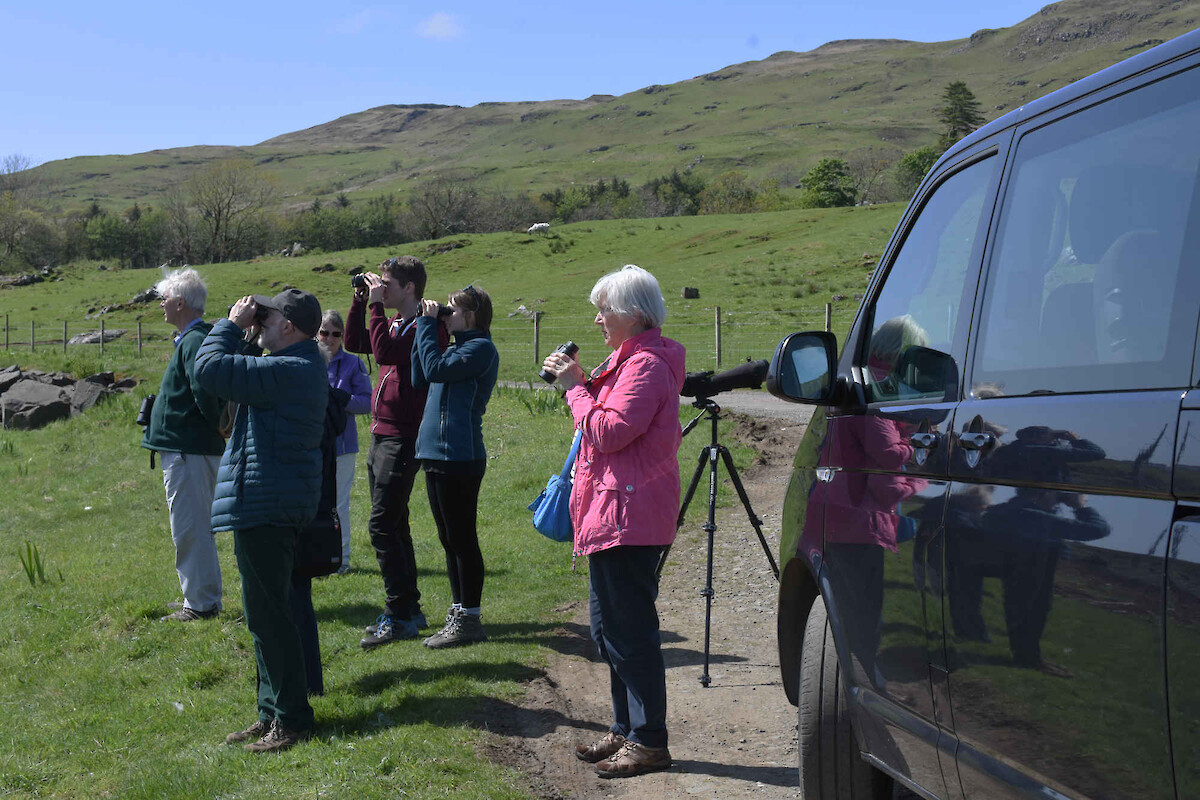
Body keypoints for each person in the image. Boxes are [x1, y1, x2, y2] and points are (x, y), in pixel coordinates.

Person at [541, 264, 685, 779]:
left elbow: (608, 432)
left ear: (632, 314)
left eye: (605, 309)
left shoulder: (645, 366)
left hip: (631, 514)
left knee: (630, 631)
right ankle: (628, 729)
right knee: (609, 632)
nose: (599, 319)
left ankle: (650, 741)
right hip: (613, 512)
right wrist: (581, 382)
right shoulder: (628, 361)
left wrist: (576, 388)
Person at [194, 288, 327, 754]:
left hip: (269, 505)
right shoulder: (295, 363)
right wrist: (250, 335)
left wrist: (230, 325)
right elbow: (238, 376)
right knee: (264, 615)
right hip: (268, 501)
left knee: (271, 617)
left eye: (267, 318)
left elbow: (210, 370)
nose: (260, 323)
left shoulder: (291, 369)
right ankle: (272, 711)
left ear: (288, 326)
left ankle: (291, 719)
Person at [344, 256, 448, 649]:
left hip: (404, 435)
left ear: (409, 287)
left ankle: (398, 613)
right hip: (382, 432)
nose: (381, 288)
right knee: (395, 522)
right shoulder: (396, 322)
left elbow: (385, 353)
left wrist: (373, 305)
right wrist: (359, 301)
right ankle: (410, 608)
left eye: (387, 283)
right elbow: (358, 342)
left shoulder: (428, 326)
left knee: (382, 525)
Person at [412, 284, 499, 648]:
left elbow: (433, 369)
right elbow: (421, 376)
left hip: (459, 455)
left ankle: (471, 618)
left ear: (473, 315)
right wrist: (425, 327)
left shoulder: (480, 349)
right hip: (435, 453)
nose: (447, 312)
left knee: (462, 538)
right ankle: (459, 609)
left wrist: (429, 328)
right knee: (448, 539)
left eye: (454, 309)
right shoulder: (454, 348)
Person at [141, 267, 225, 622]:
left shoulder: (192, 341)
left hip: (189, 451)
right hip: (189, 449)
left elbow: (203, 389)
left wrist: (219, 427)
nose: (160, 305)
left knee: (191, 527)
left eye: (164, 299)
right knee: (193, 525)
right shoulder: (193, 338)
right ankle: (199, 595)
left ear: (179, 302)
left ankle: (202, 605)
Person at [317, 309, 372, 573]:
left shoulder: (353, 364)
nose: (329, 339)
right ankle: (317, 558)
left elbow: (367, 403)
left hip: (342, 447)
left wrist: (341, 399)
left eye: (335, 333)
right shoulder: (309, 361)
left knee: (338, 505)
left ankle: (342, 560)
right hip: (312, 445)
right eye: (324, 332)